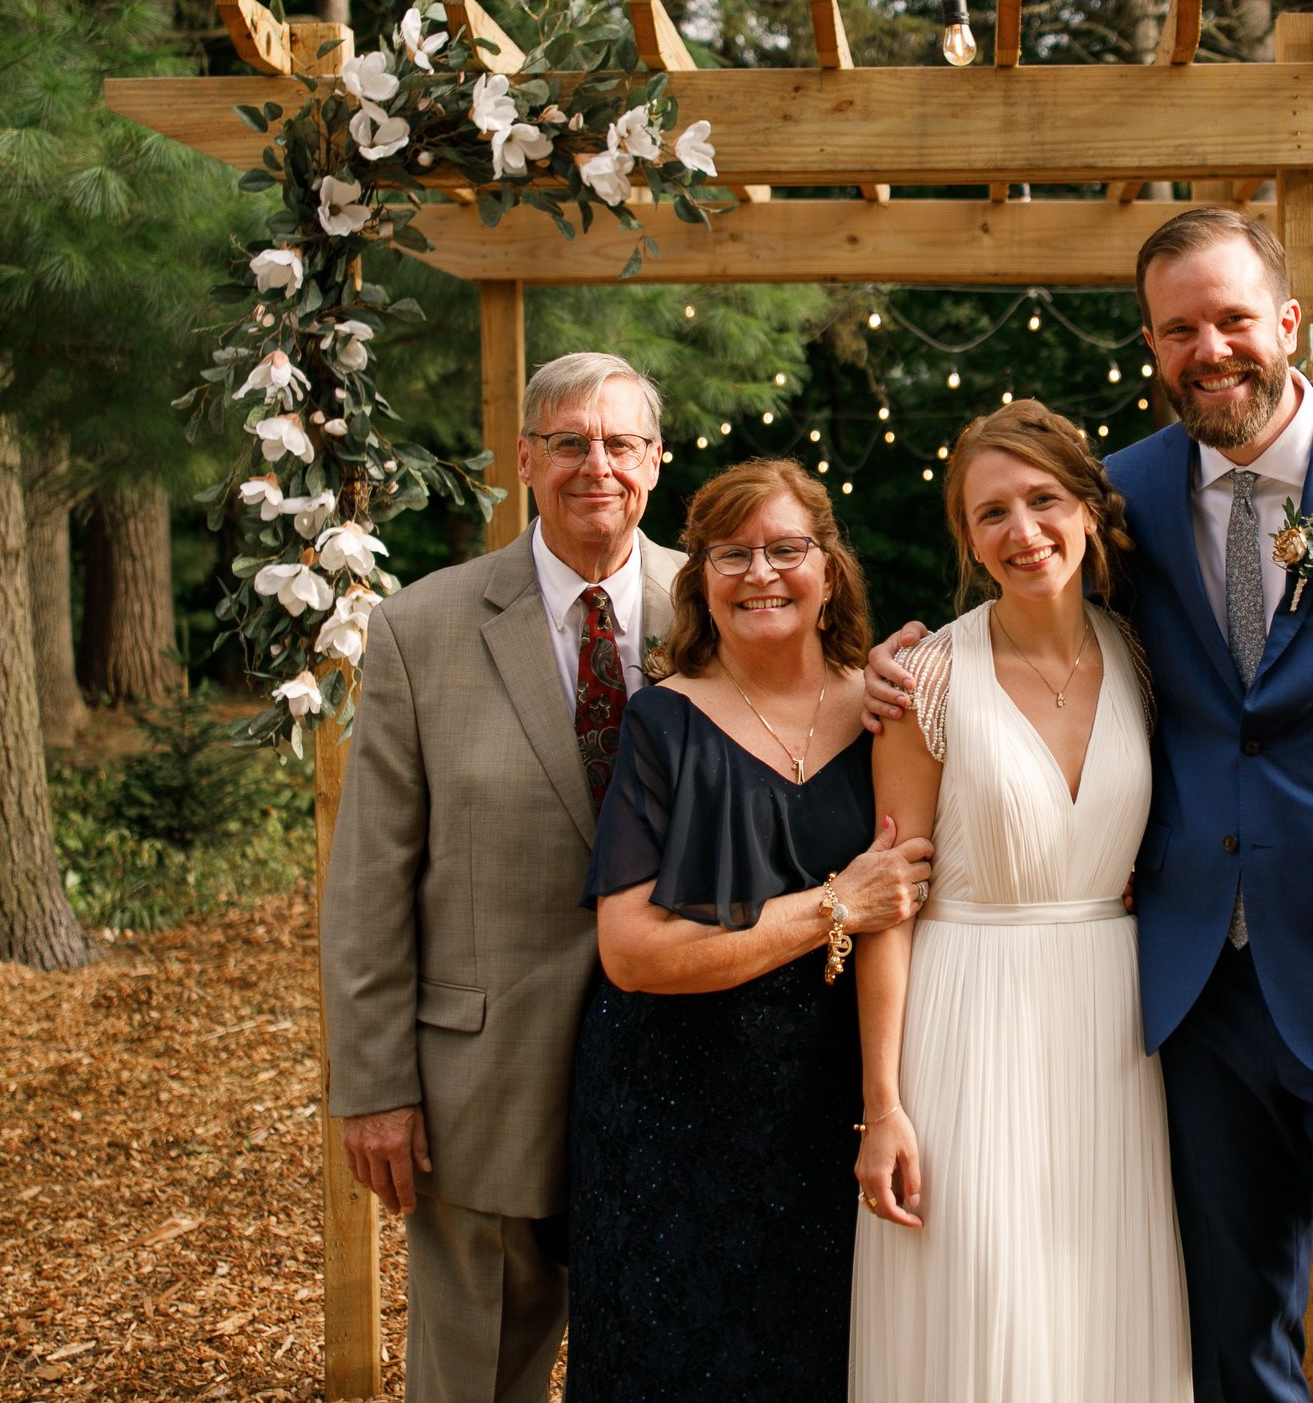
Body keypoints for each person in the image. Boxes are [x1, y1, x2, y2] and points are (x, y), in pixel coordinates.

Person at [869, 208, 1313, 1403]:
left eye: (1230, 319)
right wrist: (898, 661)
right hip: (1191, 998)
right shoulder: (1121, 493)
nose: (1208, 348)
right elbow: (1030, 616)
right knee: (1233, 1350)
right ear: (1152, 347)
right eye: (1179, 330)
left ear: (1286, 321)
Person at [319, 352, 684, 1403]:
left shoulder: (722, 604)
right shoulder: (421, 628)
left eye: (619, 442)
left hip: (684, 1073)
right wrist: (374, 1083)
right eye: (568, 441)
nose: (594, 465)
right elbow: (369, 880)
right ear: (524, 458)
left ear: (655, 461)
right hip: (482, 1081)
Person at [565, 458, 932, 1403]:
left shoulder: (894, 710)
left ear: (831, 570)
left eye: (786, 548)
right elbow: (632, 952)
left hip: (831, 1110)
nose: (760, 573)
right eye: (732, 553)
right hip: (668, 1121)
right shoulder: (662, 724)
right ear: (700, 580)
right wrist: (832, 907)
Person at [848, 400, 1193, 1403]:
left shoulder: (1141, 658)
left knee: (1099, 1303)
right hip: (968, 1019)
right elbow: (888, 901)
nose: (1023, 529)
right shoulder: (927, 679)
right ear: (966, 537)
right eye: (990, 512)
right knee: (983, 1300)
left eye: (1044, 500)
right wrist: (883, 1105)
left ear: (1089, 511)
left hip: (1111, 1025)